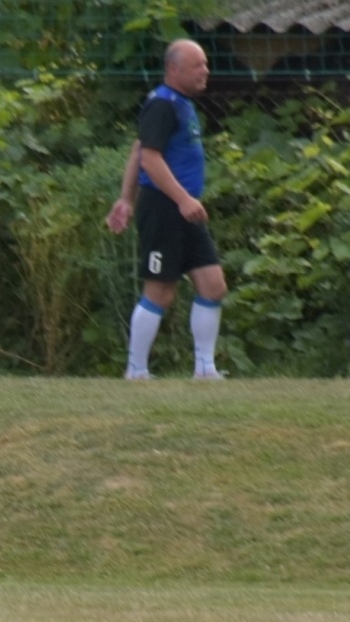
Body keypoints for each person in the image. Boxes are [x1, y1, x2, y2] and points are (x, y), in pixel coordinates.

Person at [104, 39, 228, 381]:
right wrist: (182, 199)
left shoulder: (180, 104)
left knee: (213, 285)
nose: (206, 71)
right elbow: (149, 158)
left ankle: (205, 369)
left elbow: (137, 148)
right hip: (165, 207)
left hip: (184, 209)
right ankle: (136, 370)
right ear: (174, 69)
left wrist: (125, 199)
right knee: (161, 289)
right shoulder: (162, 104)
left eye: (205, 64)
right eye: (197, 65)